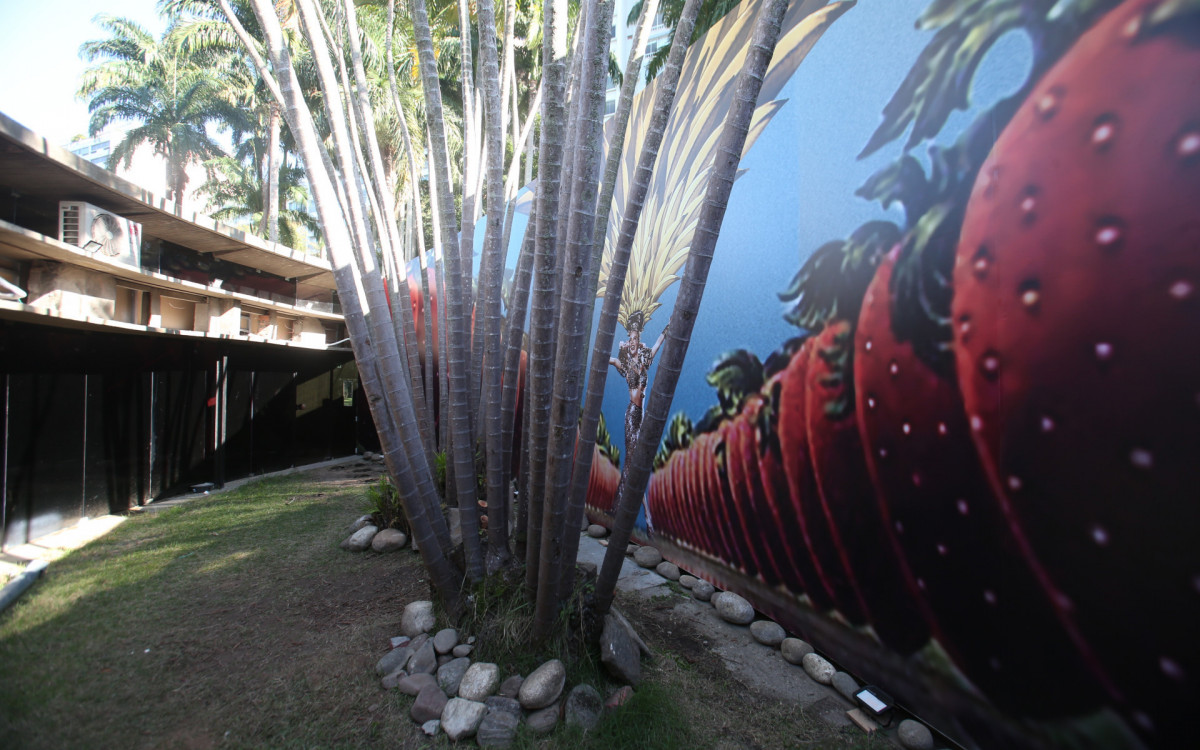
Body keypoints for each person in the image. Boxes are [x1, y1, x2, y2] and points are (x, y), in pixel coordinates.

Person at [609, 310, 666, 454]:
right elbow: (611, 360)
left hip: (640, 413)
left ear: (639, 341)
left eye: (636, 339)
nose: (633, 342)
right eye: (631, 339)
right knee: (632, 452)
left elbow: (657, 345)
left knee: (639, 451)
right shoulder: (626, 365)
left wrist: (668, 327)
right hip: (632, 413)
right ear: (628, 342)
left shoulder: (644, 362)